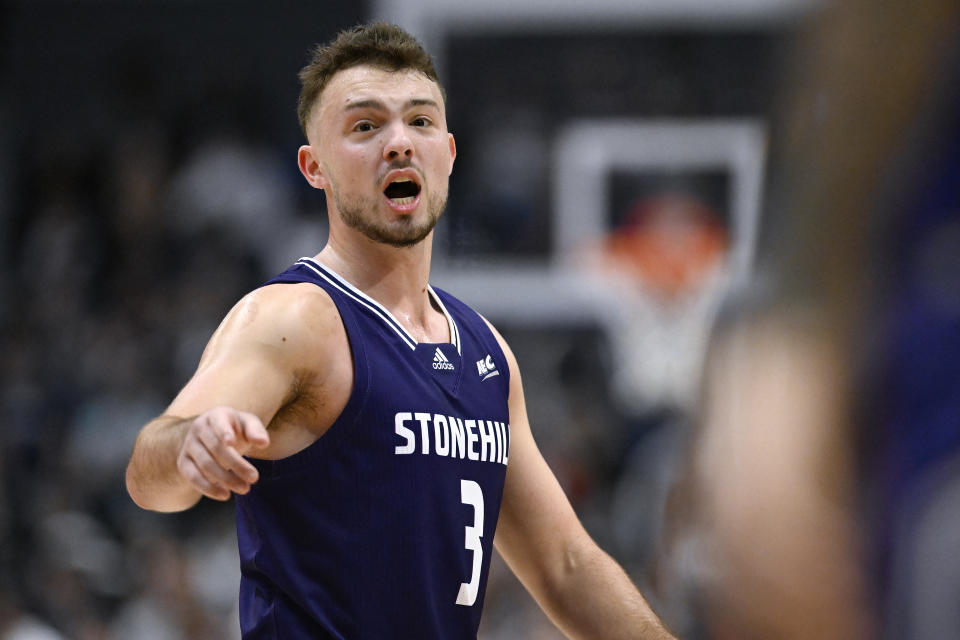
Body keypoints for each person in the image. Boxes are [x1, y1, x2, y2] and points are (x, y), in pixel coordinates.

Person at [125, 22, 675, 640]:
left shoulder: (486, 352)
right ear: (315, 167)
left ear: (449, 152)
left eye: (420, 121)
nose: (399, 143)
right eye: (365, 126)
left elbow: (565, 566)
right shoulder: (296, 318)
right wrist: (190, 444)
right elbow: (150, 476)